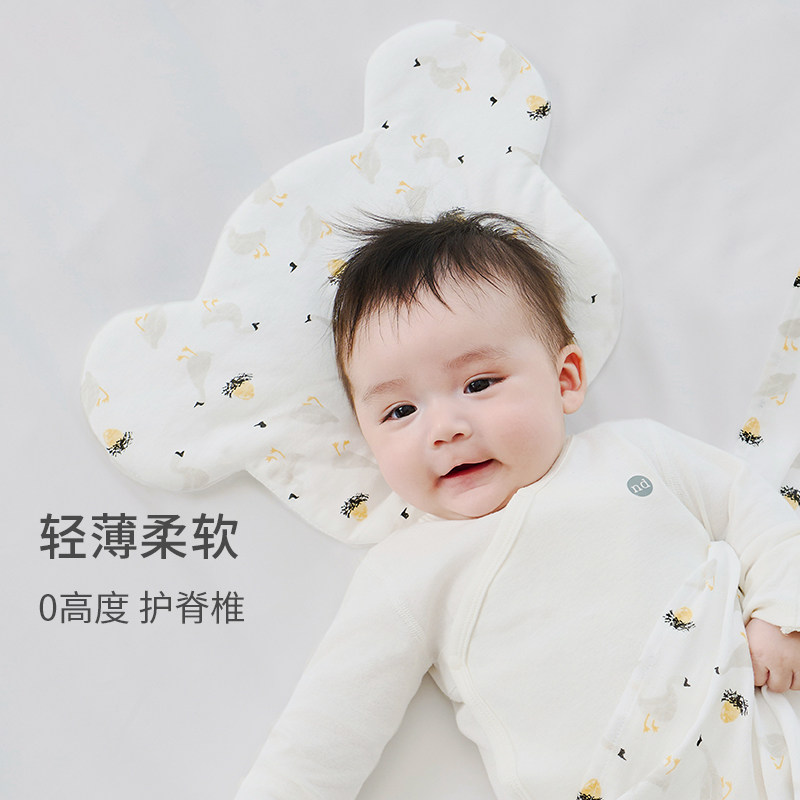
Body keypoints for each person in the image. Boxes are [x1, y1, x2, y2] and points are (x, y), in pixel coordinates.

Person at [235, 211, 800, 799]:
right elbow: (323, 734)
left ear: (565, 379)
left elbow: (761, 516)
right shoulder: (408, 571)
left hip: (764, 742)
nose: (445, 428)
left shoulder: (637, 455)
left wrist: (781, 612)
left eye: (478, 384)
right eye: (400, 411)